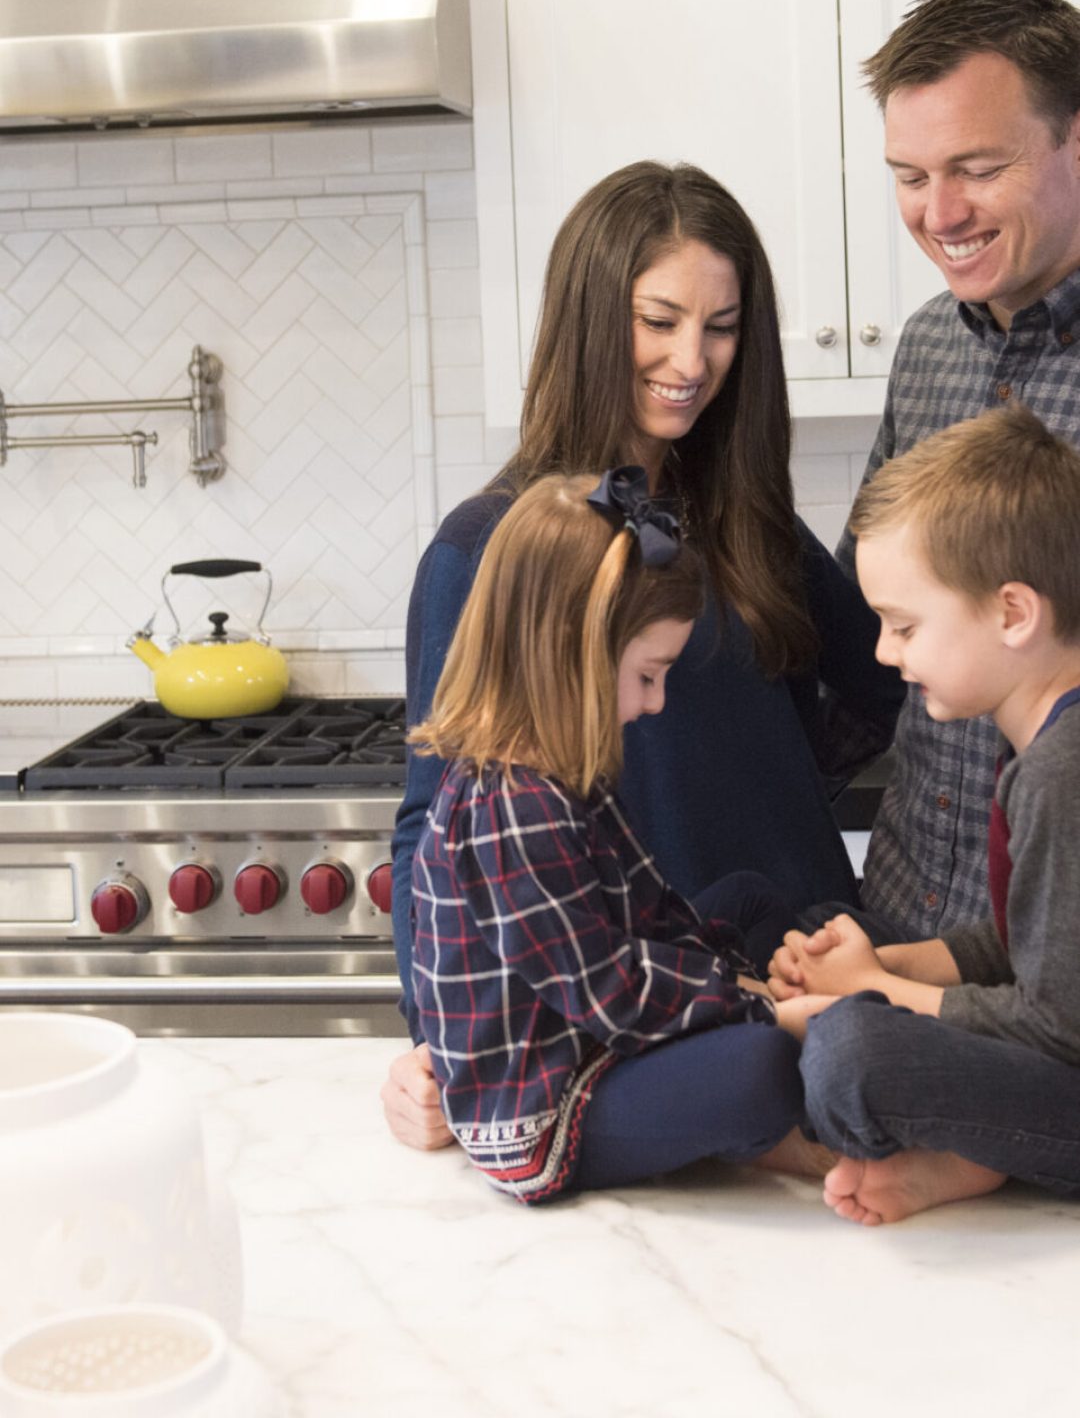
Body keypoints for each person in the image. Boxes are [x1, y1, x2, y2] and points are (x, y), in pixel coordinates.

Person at [384, 161, 902, 1149]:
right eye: (658, 320)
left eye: (721, 325)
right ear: (589, 318)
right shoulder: (491, 552)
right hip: (631, 1035)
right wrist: (436, 1042)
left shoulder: (751, 526)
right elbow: (430, 830)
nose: (692, 359)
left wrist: (775, 775)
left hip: (807, 982)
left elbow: (883, 682)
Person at [410, 467, 832, 1202]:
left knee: (753, 901)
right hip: (541, 1107)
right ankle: (784, 1138)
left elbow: (648, 910)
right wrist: (761, 1006)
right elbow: (609, 987)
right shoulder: (513, 807)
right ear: (568, 652)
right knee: (761, 1068)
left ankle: (740, 1066)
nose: (656, 703)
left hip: (585, 1031)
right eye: (646, 676)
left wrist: (739, 980)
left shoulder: (558, 770)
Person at [771, 406, 1080, 1225]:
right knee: (845, 982)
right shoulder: (1048, 743)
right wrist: (894, 967)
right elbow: (1029, 945)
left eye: (904, 625)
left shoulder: (1062, 770)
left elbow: (1059, 1026)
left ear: (1014, 613)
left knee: (849, 1057)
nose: (882, 653)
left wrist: (866, 994)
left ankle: (979, 1150)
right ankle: (972, 1154)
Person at [842, 0, 1080, 943]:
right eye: (910, 175)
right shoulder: (927, 344)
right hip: (908, 903)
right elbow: (879, 615)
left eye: (978, 168)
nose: (939, 215)